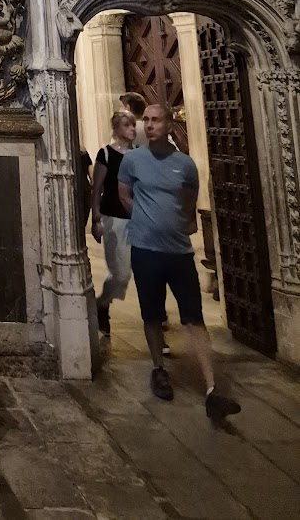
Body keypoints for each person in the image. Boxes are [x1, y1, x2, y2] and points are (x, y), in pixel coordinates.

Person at [118, 103, 240, 421]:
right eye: (146, 120)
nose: (149, 125)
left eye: (156, 120)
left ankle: (211, 387)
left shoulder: (184, 165)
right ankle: (158, 368)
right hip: (146, 249)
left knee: (193, 317)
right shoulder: (132, 161)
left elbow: (188, 203)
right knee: (151, 314)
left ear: (170, 125)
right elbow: (124, 195)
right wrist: (144, 220)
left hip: (179, 252)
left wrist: (175, 224)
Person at [91, 110, 136, 336]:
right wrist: (96, 218)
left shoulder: (139, 154)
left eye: (132, 124)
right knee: (120, 273)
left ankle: (156, 320)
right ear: (116, 129)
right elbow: (97, 187)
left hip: (138, 217)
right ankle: (102, 304)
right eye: (126, 125)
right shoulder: (106, 154)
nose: (132, 129)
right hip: (113, 217)